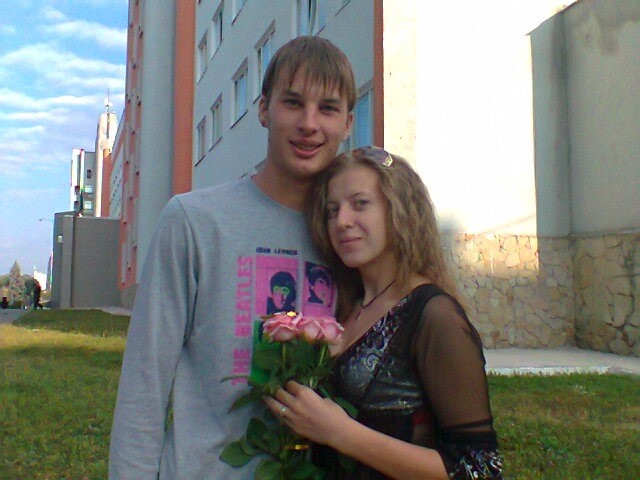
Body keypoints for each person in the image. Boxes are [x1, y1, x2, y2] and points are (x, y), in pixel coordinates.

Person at [108, 36, 354, 479]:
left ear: (349, 123)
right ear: (263, 110)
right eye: (292, 103)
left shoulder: (350, 237)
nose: (309, 124)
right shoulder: (194, 220)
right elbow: (145, 381)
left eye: (328, 109)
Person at [264, 147, 503, 479]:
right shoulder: (342, 307)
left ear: (400, 212)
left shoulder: (433, 315)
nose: (342, 221)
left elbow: (480, 468)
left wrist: (341, 433)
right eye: (332, 210)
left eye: (360, 203)